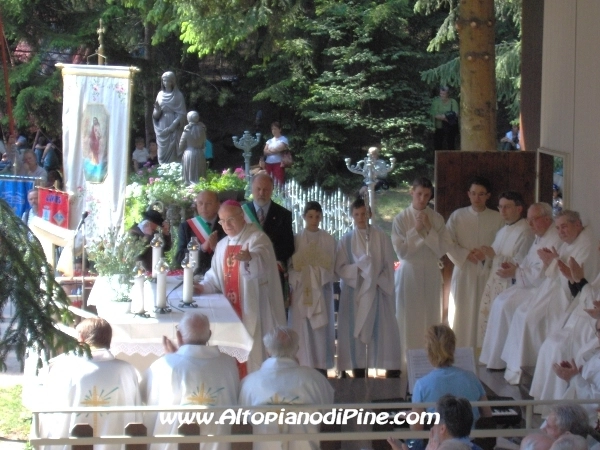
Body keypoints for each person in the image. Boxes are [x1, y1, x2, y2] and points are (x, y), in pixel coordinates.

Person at [502, 210, 598, 384]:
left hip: (568, 301)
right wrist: (551, 262)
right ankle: (518, 370)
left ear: (577, 225)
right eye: (558, 228)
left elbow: (577, 284)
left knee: (531, 321)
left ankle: (529, 372)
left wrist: (554, 263)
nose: (561, 232)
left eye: (564, 227)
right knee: (521, 315)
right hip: (555, 292)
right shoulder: (569, 243)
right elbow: (560, 273)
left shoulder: (586, 245)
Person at [194, 200, 286, 374]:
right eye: (222, 221)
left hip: (255, 307)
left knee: (255, 352)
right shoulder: (222, 245)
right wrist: (200, 287)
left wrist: (250, 258)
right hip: (231, 311)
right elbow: (214, 277)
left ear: (242, 216)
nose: (226, 225)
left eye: (230, 219)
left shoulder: (257, 238)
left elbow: (263, 260)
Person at [480, 202, 560, 370]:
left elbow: (541, 274)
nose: (530, 224)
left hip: (540, 289)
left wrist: (517, 272)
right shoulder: (540, 235)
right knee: (499, 302)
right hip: (527, 284)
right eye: (528, 219)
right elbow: (528, 261)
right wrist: (516, 268)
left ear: (547, 219)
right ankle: (495, 359)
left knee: (506, 306)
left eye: (534, 219)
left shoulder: (554, 238)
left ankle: (513, 363)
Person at [38, 317, 141, 449]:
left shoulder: (63, 368)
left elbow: (49, 412)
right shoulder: (126, 370)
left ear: (81, 338)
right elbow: (136, 412)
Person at [142, 313, 239, 450]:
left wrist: (172, 359)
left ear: (179, 336)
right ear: (209, 335)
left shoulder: (162, 366)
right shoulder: (228, 364)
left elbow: (144, 396)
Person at [336, 198, 401, 377]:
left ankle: (389, 367)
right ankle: (357, 367)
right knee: (354, 330)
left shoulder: (381, 237)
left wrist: (376, 278)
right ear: (352, 216)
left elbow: (388, 264)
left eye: (364, 214)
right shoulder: (346, 240)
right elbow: (340, 267)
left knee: (383, 329)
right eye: (357, 214)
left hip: (378, 290)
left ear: (370, 214)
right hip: (355, 291)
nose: (360, 218)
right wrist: (358, 269)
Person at [238, 326, 334, 450]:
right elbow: (327, 412)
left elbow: (243, 416)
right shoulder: (316, 379)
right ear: (296, 349)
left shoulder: (249, 382)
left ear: (267, 351)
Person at [530, 244, 600, 409]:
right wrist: (575, 281)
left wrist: (580, 281)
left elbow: (590, 298)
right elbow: (587, 296)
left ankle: (563, 408)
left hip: (590, 329)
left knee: (561, 349)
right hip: (590, 324)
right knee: (550, 345)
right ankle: (549, 405)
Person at [393, 177, 450, 362]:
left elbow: (442, 249)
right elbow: (401, 252)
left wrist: (429, 229)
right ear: (412, 192)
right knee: (409, 317)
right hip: (410, 272)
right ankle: (406, 361)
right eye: (419, 194)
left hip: (431, 270)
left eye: (426, 195)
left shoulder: (436, 218)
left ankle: (431, 359)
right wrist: (416, 230)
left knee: (431, 315)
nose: (422, 199)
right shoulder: (401, 218)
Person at [445, 176, 504, 348]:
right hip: (464, 270)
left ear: (488, 196)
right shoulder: (458, 216)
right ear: (468, 194)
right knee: (461, 313)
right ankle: (460, 352)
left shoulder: (497, 218)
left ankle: (482, 353)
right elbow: (447, 242)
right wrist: (465, 255)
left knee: (484, 312)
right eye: (473, 193)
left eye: (481, 194)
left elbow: (501, 243)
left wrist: (486, 255)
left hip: (487, 271)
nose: (476, 198)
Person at [477, 191, 534, 347]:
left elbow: (521, 263)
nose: (502, 211)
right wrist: (486, 256)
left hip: (510, 285)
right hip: (494, 283)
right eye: (500, 207)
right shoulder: (502, 231)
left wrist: (495, 256)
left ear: (519, 208)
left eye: (507, 207)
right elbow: (493, 255)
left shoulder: (526, 232)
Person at [411, 325, 492, 433]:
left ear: (428, 351)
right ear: (453, 348)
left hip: (439, 442)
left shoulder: (421, 385)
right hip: (470, 441)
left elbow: (416, 432)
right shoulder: (472, 378)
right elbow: (487, 416)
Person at [287, 201, 336, 374]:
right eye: (310, 216)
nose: (314, 220)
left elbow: (332, 266)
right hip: (301, 290)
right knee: (301, 328)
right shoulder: (296, 239)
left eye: (317, 216)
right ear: (304, 217)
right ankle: (301, 364)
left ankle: (320, 366)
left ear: (321, 217)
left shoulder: (328, 240)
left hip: (320, 290)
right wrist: (301, 276)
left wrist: (317, 274)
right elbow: (290, 266)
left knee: (319, 329)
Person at [244, 173, 295, 303]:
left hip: (272, 273)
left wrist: (266, 258)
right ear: (252, 189)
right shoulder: (241, 213)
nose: (262, 193)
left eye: (266, 189)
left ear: (272, 190)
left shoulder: (284, 215)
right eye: (258, 189)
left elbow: (288, 246)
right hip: (246, 271)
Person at [550, 318, 600, 424]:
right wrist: (572, 376)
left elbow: (595, 403)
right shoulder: (595, 357)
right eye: (599, 331)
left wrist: (575, 377)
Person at [174, 190, 225, 274]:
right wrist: (202, 248)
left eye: (208, 203)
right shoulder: (186, 226)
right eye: (200, 203)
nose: (204, 207)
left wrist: (216, 248)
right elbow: (179, 257)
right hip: (195, 275)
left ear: (218, 205)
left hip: (221, 274)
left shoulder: (226, 224)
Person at [153, 71, 187, 164]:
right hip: (162, 123)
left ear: (173, 81)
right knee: (161, 151)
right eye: (164, 80)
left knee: (173, 149)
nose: (166, 83)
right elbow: (155, 115)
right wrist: (157, 111)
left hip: (174, 123)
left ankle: (173, 169)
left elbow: (182, 113)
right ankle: (163, 169)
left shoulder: (178, 95)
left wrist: (173, 125)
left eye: (168, 81)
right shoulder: (160, 94)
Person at [180, 110, 207, 185]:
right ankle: (200, 186)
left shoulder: (187, 130)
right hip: (200, 153)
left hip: (189, 153)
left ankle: (190, 185)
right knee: (200, 174)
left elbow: (181, 145)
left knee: (190, 174)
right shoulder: (202, 129)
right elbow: (204, 144)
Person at [430, 86, 459, 151]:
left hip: (450, 127)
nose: (442, 95)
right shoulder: (436, 102)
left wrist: (444, 116)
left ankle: (451, 157)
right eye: (441, 93)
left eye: (444, 94)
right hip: (438, 127)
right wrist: (446, 118)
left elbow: (456, 113)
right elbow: (434, 114)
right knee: (438, 145)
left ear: (448, 94)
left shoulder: (453, 102)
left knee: (451, 144)